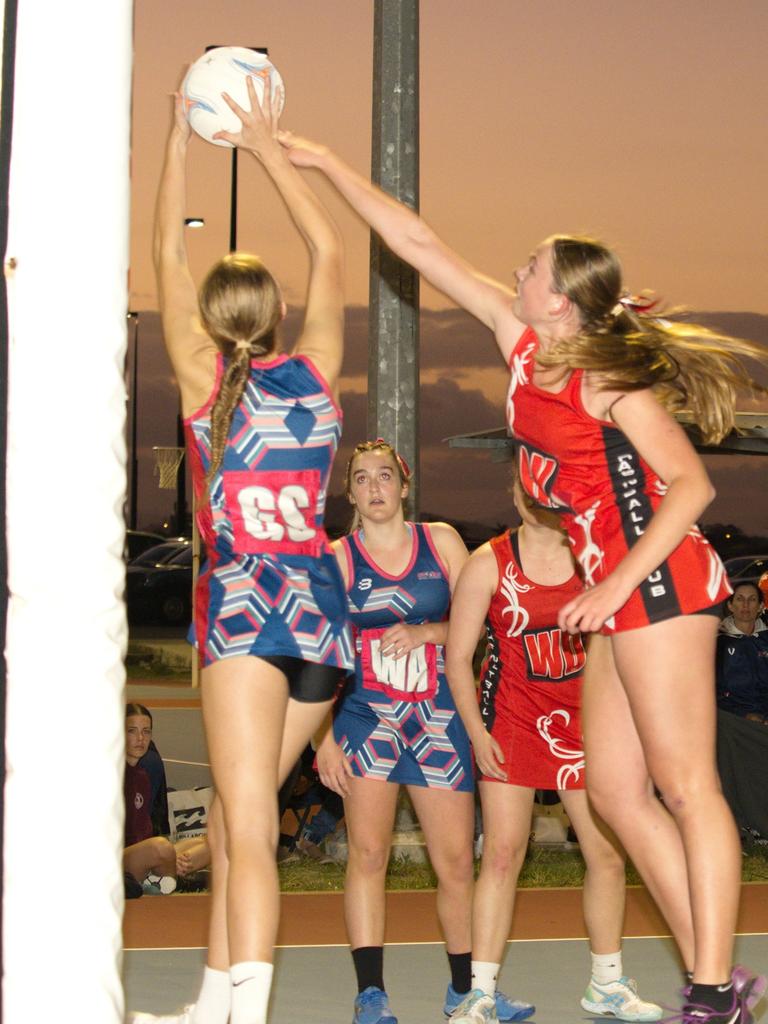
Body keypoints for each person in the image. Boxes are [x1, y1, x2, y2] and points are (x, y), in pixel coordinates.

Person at [275, 134, 767, 1023]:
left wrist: (615, 586)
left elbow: (692, 486)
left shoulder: (610, 387)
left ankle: (709, 985)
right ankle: (714, 972)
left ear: (566, 304)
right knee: (615, 793)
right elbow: (420, 247)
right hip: (613, 595)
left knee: (688, 784)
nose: (516, 270)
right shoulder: (518, 349)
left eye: (533, 266)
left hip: (658, 585)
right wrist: (326, 164)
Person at [129, 75, 352, 1024]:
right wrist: (264, 147)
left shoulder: (199, 376)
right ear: (273, 313)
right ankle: (209, 1002)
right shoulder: (319, 373)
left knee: (248, 827)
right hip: (322, 623)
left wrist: (181, 139)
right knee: (231, 817)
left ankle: (245, 1015)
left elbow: (160, 259)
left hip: (247, 612)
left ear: (217, 323)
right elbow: (331, 246)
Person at [316, 440, 533, 1024]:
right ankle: (371, 995)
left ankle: (465, 991)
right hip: (368, 721)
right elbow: (319, 654)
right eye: (362, 480)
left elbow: (480, 627)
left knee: (457, 860)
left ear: (404, 485)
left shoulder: (440, 542)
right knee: (367, 853)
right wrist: (323, 738)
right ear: (351, 493)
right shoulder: (337, 558)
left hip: (439, 720)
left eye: (385, 476)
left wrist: (429, 633)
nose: (375, 488)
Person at [445, 477, 660, 1023]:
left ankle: (606, 985)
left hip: (586, 724)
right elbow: (457, 655)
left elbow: (626, 642)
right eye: (530, 492)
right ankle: (482, 995)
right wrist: (476, 731)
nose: (541, 502)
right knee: (501, 853)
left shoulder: (596, 558)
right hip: (512, 720)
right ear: (516, 496)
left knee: (607, 854)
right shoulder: (488, 562)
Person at [123, 703, 211, 896]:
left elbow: (144, 831)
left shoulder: (143, 777)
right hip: (118, 862)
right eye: (132, 731)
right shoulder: (111, 776)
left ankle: (164, 878)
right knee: (160, 848)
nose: (140, 739)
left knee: (214, 840)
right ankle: (168, 879)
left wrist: (169, 858)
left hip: (147, 855)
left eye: (146, 732)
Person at [716, 582, 768, 721]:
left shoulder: (765, 639)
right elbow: (712, 693)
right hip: (735, 722)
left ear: (760, 606)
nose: (746, 605)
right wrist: (744, 715)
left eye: (752, 599)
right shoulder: (718, 643)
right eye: (740, 599)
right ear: (730, 605)